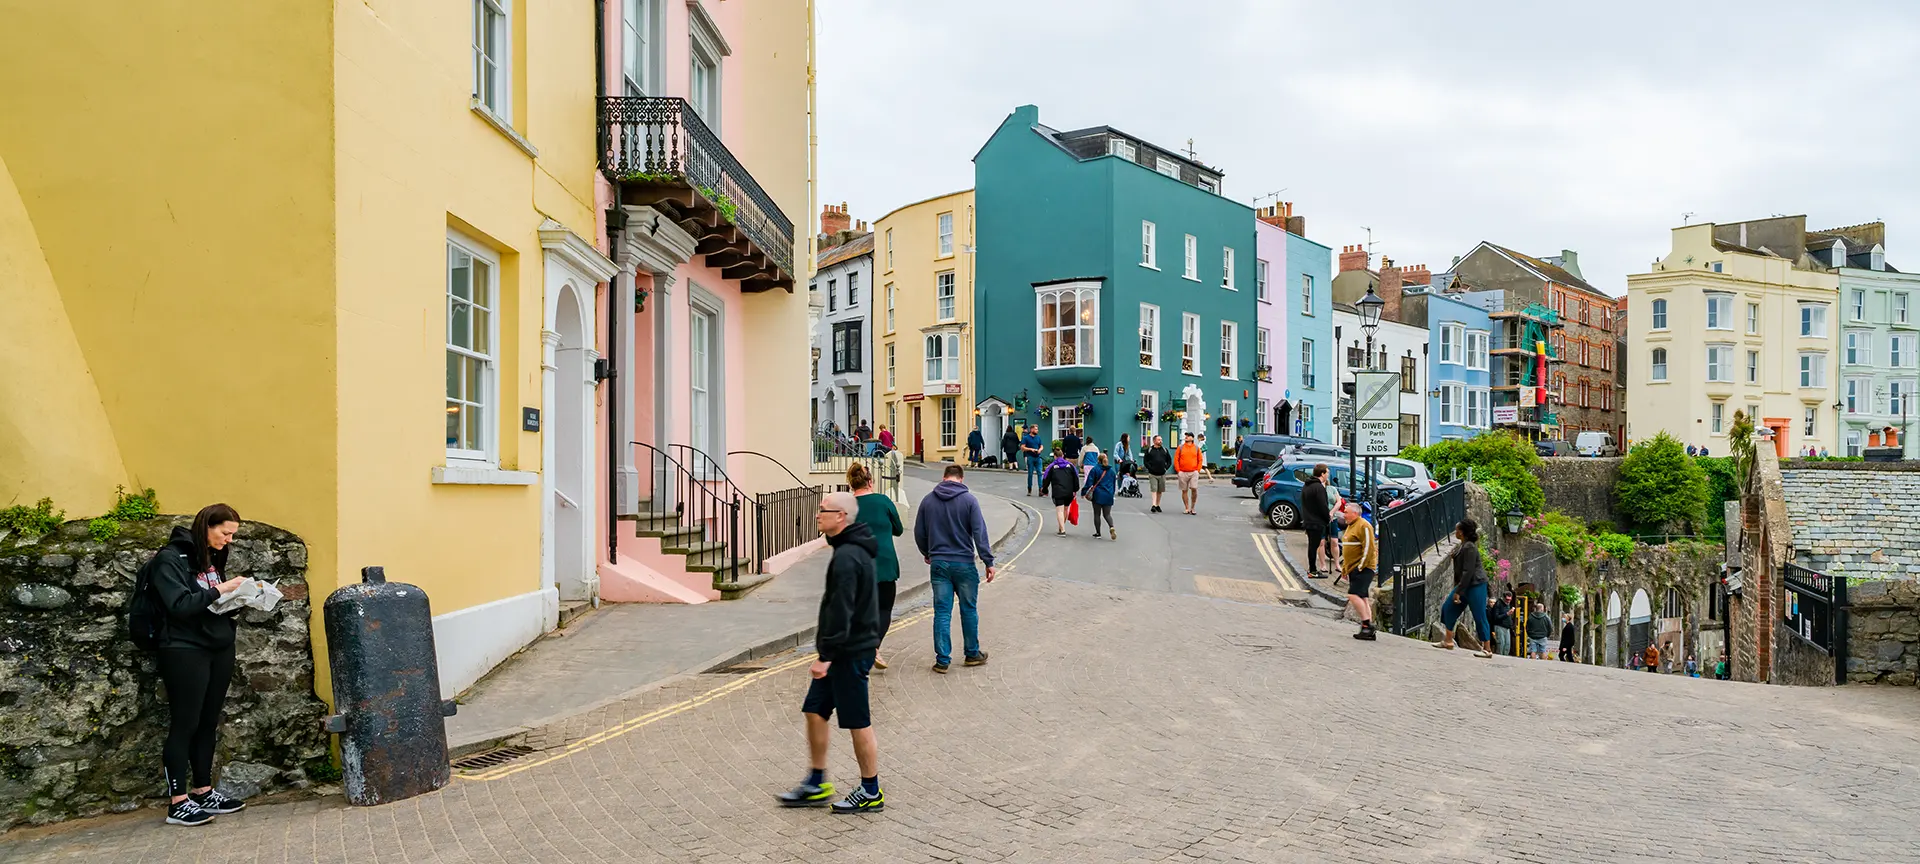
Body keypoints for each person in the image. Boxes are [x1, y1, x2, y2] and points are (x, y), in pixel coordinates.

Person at [778, 492, 885, 813]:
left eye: (823, 511)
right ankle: (817, 781)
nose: (817, 515)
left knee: (857, 721)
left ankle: (871, 790)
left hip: (849, 653)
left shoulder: (848, 557)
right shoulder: (848, 550)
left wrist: (826, 656)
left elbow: (843, 610)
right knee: (814, 709)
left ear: (841, 517)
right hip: (843, 649)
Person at [148, 503, 254, 826]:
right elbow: (179, 605)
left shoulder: (211, 557)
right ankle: (177, 803)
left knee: (208, 721)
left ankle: (203, 791)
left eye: (233, 535)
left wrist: (243, 596)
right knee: (186, 722)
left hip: (216, 646)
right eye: (225, 533)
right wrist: (222, 589)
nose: (229, 540)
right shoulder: (169, 559)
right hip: (183, 649)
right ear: (207, 526)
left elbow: (211, 602)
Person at [912, 465, 997, 673]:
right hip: (964, 563)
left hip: (939, 563)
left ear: (944, 478)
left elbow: (919, 532)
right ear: (961, 478)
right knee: (968, 609)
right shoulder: (969, 501)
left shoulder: (928, 500)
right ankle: (971, 653)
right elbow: (979, 533)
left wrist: (928, 552)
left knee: (942, 611)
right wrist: (988, 561)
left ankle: (942, 660)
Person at [847, 462, 902, 670]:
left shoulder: (847, 506)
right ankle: (873, 647)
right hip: (885, 563)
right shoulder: (883, 501)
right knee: (884, 608)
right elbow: (898, 529)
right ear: (870, 481)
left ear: (852, 484)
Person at [1434, 519, 1493, 657]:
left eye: (1457, 530)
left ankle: (1487, 649)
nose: (1455, 532)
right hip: (1465, 585)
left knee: (1479, 616)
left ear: (1462, 532)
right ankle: (1448, 640)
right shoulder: (1463, 546)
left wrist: (1458, 592)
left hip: (1476, 585)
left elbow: (1468, 571)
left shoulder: (1470, 547)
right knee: (1448, 609)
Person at [1339, 501, 1379, 640]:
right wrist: (1345, 569)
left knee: (1353, 595)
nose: (1344, 515)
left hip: (1364, 568)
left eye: (1346, 512)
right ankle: (1367, 629)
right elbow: (1347, 549)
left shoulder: (1364, 525)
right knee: (1363, 598)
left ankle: (1367, 625)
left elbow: (1369, 547)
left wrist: (1361, 566)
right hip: (1353, 568)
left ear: (1355, 513)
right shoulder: (1350, 526)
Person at [1039, 446, 1081, 536]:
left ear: (1054, 456)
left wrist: (1044, 490)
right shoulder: (1070, 466)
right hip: (1069, 492)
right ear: (1062, 455)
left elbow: (1046, 479)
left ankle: (1062, 530)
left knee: (1059, 510)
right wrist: (1075, 490)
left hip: (1058, 491)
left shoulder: (1052, 467)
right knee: (1066, 509)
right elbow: (1076, 478)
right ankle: (1061, 527)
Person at [1301, 464, 1333, 578]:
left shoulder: (1307, 486)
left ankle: (1312, 569)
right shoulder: (1319, 488)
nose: (1328, 475)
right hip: (1316, 522)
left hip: (1308, 520)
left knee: (1312, 546)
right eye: (1327, 473)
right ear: (1322, 474)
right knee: (1314, 546)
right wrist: (1327, 518)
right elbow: (1323, 506)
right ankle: (1313, 571)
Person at [1083, 452, 1118, 540]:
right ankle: (1111, 527)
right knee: (1107, 514)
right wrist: (1112, 493)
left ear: (1098, 460)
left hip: (1098, 494)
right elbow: (1114, 484)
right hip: (1108, 494)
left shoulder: (1095, 469)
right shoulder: (1112, 471)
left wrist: (1084, 491)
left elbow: (1089, 482)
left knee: (1097, 514)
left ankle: (1098, 533)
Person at [1174, 432, 1205, 515]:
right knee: (1184, 490)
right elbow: (1176, 459)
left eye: (1188, 436)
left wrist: (1197, 470)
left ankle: (1193, 507)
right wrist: (1178, 470)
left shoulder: (1196, 448)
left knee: (1194, 488)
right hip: (1183, 472)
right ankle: (1187, 507)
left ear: (1192, 438)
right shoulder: (1180, 447)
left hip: (1193, 471)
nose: (1186, 437)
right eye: (1186, 436)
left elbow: (1200, 459)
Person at [1142, 434, 1173, 513]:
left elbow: (1169, 460)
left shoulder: (1164, 450)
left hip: (1162, 473)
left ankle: (1157, 505)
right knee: (1154, 489)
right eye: (1159, 440)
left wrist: (1166, 468)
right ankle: (1153, 505)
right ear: (1154, 441)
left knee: (1160, 490)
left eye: (1161, 440)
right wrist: (1150, 468)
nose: (1160, 441)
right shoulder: (1149, 450)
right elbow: (1145, 461)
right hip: (1153, 474)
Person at [1490, 590, 1516, 657]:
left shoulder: (1508, 604)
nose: (1508, 601)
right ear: (1504, 598)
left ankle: (1505, 659)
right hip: (1499, 626)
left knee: (1507, 645)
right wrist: (1507, 614)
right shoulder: (1498, 604)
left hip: (1507, 627)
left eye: (1510, 600)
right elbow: (1496, 617)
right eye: (1507, 599)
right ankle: (1499, 658)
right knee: (1501, 644)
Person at [1021, 425, 1044, 496]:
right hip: (1030, 457)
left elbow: (1041, 446)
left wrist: (1040, 450)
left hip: (1038, 457)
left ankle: (1040, 489)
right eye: (1036, 429)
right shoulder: (1026, 438)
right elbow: (1022, 447)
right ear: (1031, 430)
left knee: (1040, 473)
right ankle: (1029, 489)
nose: (1037, 430)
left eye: (1037, 429)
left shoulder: (1038, 437)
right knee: (1030, 474)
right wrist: (1031, 449)